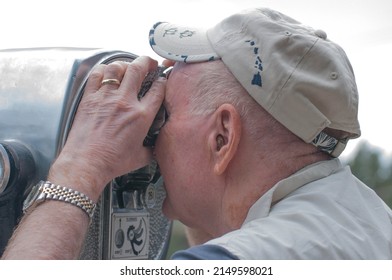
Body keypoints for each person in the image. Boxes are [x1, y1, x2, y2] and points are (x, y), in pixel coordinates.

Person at [2, 7, 392, 260]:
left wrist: (81, 167)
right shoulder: (370, 220)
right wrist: (197, 186)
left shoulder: (238, 262)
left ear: (222, 138)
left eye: (163, 114)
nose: (148, 135)